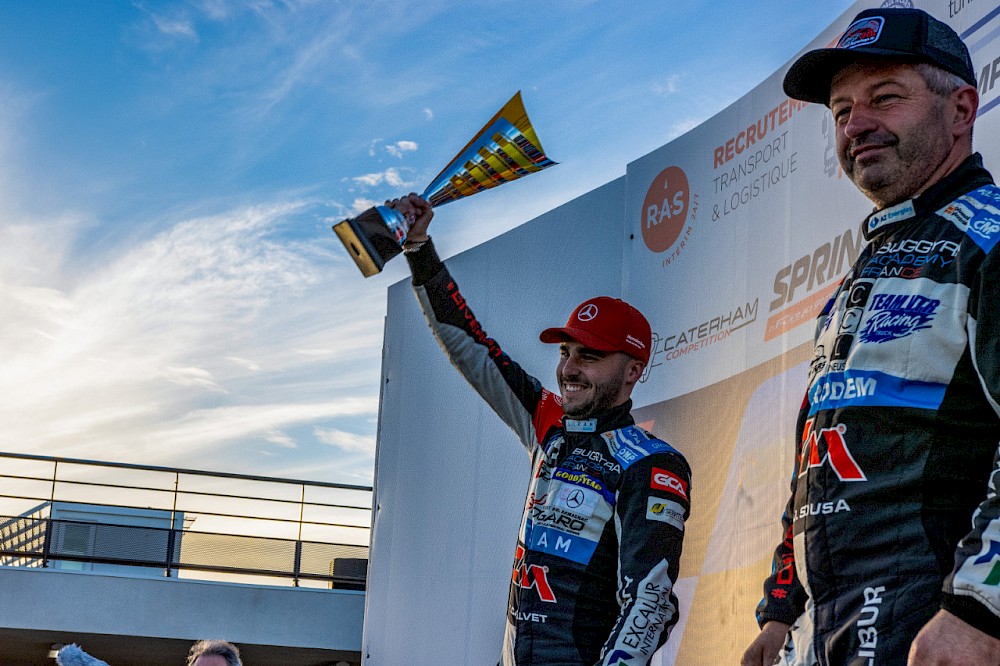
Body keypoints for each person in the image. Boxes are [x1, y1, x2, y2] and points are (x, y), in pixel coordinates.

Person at [741, 7, 1000, 666]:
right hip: (834, 624)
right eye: (841, 111)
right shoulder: (863, 275)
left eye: (884, 98)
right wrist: (780, 611)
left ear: (961, 109)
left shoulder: (990, 241)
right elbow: (817, 454)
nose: (855, 125)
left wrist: (981, 608)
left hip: (938, 624)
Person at [377, 193, 692, 665]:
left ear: (632, 371)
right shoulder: (549, 426)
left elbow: (651, 601)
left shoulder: (649, 462)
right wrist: (420, 249)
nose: (569, 369)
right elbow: (472, 347)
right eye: (565, 353)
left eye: (590, 356)